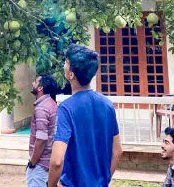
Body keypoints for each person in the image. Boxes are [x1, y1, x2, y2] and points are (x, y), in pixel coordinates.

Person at [49, 44, 122, 187]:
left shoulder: (66, 108)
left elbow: (57, 161)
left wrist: (50, 185)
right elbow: (118, 151)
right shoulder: (107, 105)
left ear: (71, 74)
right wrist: (105, 180)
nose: (64, 64)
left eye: (66, 62)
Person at [26, 74, 59, 187]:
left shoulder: (41, 108)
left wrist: (32, 163)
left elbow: (41, 139)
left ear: (40, 88)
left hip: (40, 165)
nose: (32, 83)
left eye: (35, 82)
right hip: (49, 163)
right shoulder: (52, 104)